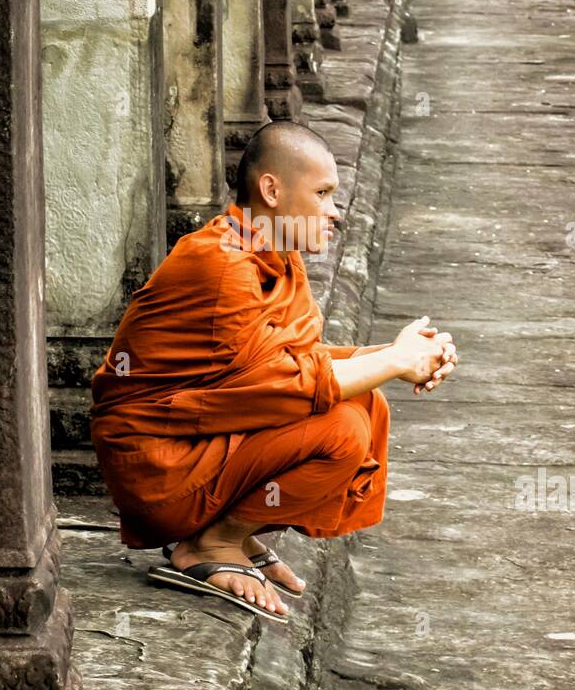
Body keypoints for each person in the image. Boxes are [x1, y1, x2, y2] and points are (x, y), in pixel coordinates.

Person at [90, 121, 458, 623]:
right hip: (160, 467)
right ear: (272, 190)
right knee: (343, 430)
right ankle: (209, 544)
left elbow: (295, 362)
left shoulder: (275, 254)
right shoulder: (222, 266)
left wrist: (398, 356)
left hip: (202, 444)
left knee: (365, 402)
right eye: (324, 194)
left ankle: (241, 533)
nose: (335, 213)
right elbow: (280, 384)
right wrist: (392, 362)